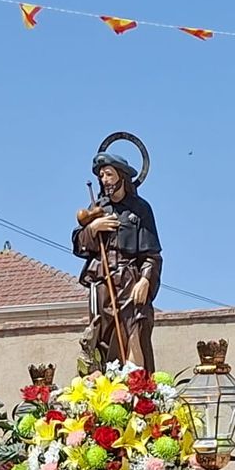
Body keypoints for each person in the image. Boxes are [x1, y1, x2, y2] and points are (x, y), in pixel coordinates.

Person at [73, 150, 162, 370]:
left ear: (122, 176)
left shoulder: (140, 209)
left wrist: (145, 280)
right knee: (101, 335)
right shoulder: (98, 210)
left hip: (129, 279)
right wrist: (93, 229)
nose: (104, 180)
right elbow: (78, 244)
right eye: (101, 175)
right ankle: (103, 384)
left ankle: (137, 387)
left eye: (109, 174)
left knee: (134, 329)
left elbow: (152, 255)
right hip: (102, 281)